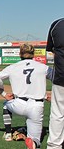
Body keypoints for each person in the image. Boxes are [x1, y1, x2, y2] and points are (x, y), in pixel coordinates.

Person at [0, 43, 53, 149]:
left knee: (6, 105)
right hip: (37, 106)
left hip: (18, 104)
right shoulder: (43, 67)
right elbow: (58, 79)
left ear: (20, 54)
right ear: (33, 54)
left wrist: (3, 93)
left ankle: (8, 134)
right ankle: (33, 143)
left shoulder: (12, 67)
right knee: (35, 140)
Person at [46, 18, 64, 149]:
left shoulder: (57, 24)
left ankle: (54, 146)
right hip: (60, 78)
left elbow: (51, 49)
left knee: (57, 113)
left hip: (61, 76)